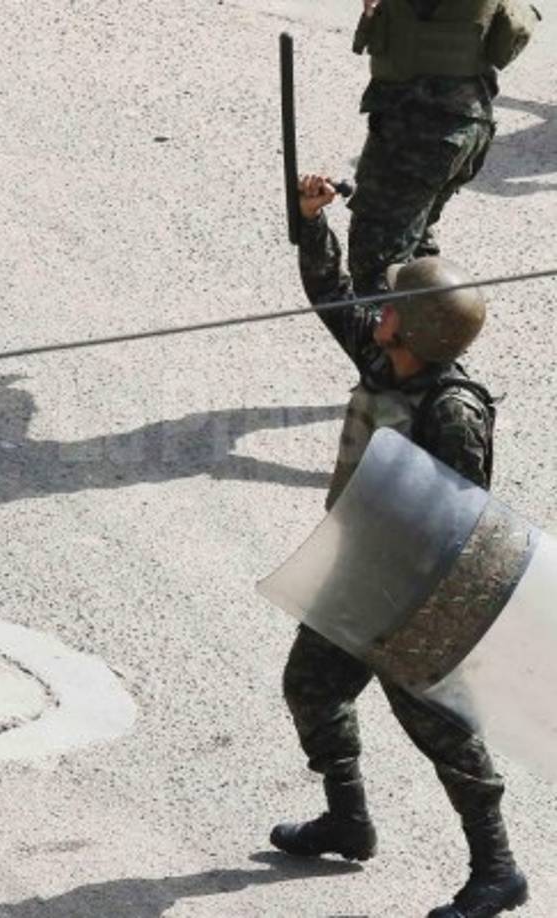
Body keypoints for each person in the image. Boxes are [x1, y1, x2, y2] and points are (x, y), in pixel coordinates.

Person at [270, 173, 527, 918]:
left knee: (441, 731)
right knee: (311, 688)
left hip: (413, 595)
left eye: (392, 311)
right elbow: (332, 296)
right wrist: (310, 222)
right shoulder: (386, 361)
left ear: (413, 336)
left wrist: (416, 618)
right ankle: (347, 821)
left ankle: (496, 871)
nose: (376, 313)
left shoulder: (450, 413)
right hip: (358, 573)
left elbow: (458, 524)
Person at [348, 0, 541, 295]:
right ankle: (437, 332)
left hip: (419, 130)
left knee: (378, 268)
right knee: (414, 255)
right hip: (465, 122)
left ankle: (404, 337)